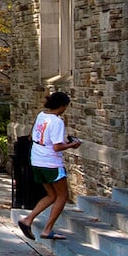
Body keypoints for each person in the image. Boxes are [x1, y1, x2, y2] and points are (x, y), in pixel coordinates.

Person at [18, 91, 80, 240]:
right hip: (51, 163)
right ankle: (47, 230)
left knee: (52, 195)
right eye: (65, 106)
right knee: (62, 195)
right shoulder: (57, 121)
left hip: (37, 160)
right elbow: (57, 147)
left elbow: (35, 136)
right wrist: (73, 144)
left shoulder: (41, 116)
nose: (65, 109)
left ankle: (27, 220)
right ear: (61, 106)